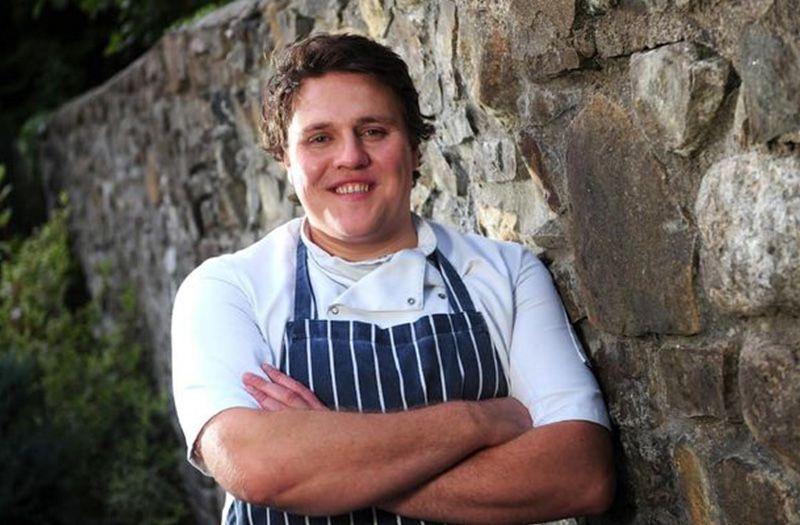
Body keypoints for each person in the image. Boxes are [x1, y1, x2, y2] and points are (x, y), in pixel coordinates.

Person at [171, 33, 614, 525]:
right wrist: (480, 420)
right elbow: (257, 466)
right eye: (320, 138)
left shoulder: (507, 273)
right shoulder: (228, 290)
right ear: (286, 160)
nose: (350, 157)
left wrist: (327, 462)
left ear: (415, 148)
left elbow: (580, 475)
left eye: (373, 131)